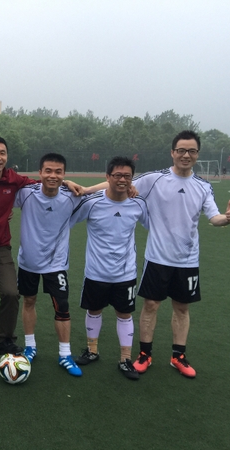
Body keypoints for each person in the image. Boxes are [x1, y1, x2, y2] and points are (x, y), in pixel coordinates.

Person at [0, 137, 83, 372]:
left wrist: (65, 181)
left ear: (7, 157)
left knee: (11, 292)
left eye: (2, 153)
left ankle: (5, 339)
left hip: (0, 248)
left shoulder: (14, 180)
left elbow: (45, 182)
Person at [132, 130, 230, 378]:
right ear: (172, 152)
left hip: (187, 260)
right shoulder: (155, 179)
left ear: (197, 154)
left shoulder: (203, 186)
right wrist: (85, 189)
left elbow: (214, 217)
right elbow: (122, 183)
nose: (186, 155)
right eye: (181, 150)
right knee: (151, 305)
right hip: (157, 257)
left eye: (191, 151)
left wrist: (226, 219)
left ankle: (178, 356)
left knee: (181, 308)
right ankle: (145, 354)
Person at [71, 156, 149, 380]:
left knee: (124, 314)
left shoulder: (138, 203)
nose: (122, 180)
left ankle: (125, 360)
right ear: (107, 176)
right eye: (117, 175)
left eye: (127, 176)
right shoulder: (92, 203)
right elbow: (67, 219)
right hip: (96, 272)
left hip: (125, 273)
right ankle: (92, 351)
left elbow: (153, 225)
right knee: (94, 310)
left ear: (132, 179)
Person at [15, 153, 88, 377]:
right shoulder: (26, 193)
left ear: (64, 174)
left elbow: (106, 188)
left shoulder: (72, 196)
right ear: (40, 172)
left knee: (62, 308)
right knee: (29, 301)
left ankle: (65, 354)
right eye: (48, 171)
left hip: (56, 265)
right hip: (28, 262)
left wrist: (70, 184)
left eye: (58, 172)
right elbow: (1, 185)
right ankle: (30, 347)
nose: (53, 176)